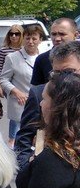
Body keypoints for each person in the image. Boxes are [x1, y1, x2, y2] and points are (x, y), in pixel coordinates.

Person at [15, 40, 80, 168]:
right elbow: (24, 140)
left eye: (68, 72)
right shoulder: (39, 94)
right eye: (57, 73)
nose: (62, 78)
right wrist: (28, 168)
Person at [0, 23, 44, 147]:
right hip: (21, 104)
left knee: (38, 139)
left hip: (40, 104)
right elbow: (3, 80)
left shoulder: (44, 58)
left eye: (34, 39)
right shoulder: (12, 58)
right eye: (27, 38)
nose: (31, 42)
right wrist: (16, 92)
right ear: (23, 39)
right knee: (18, 140)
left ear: (40, 40)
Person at [31, 17, 78, 85]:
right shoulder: (42, 59)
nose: (57, 39)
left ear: (75, 35)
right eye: (54, 34)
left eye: (62, 34)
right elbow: (36, 89)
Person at [0, 24, 24, 102]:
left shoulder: (25, 49)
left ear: (21, 35)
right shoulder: (3, 49)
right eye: (11, 34)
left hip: (22, 81)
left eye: (17, 34)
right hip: (8, 82)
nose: (14, 36)